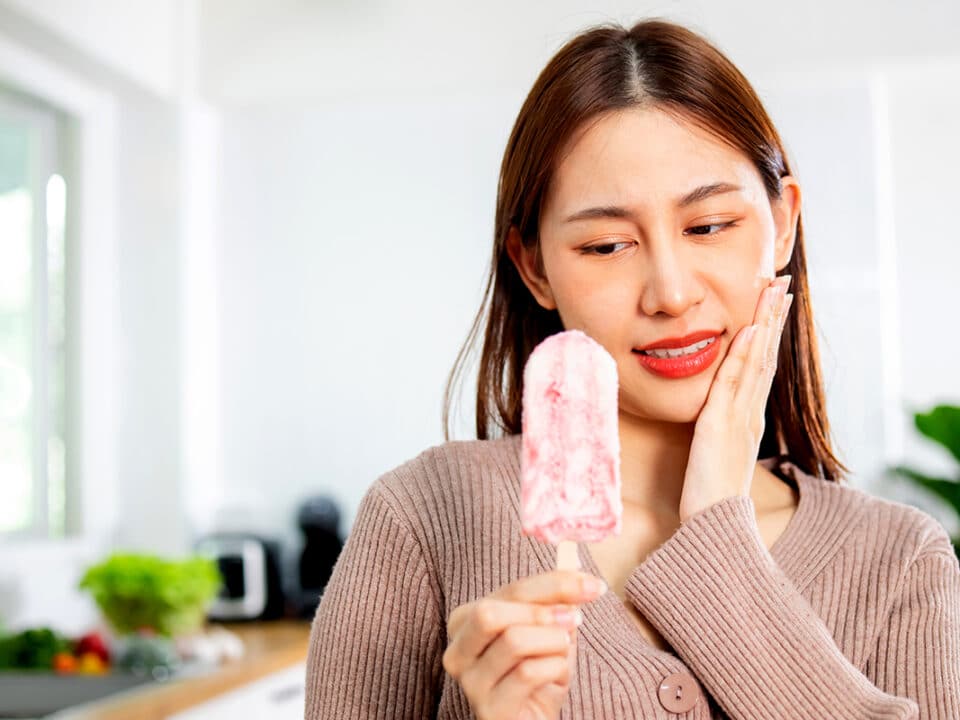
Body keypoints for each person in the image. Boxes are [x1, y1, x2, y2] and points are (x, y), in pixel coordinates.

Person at [304, 19, 960, 720]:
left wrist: (717, 526)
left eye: (709, 226)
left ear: (784, 222)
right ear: (535, 267)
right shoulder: (422, 518)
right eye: (607, 245)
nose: (672, 293)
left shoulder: (900, 559)